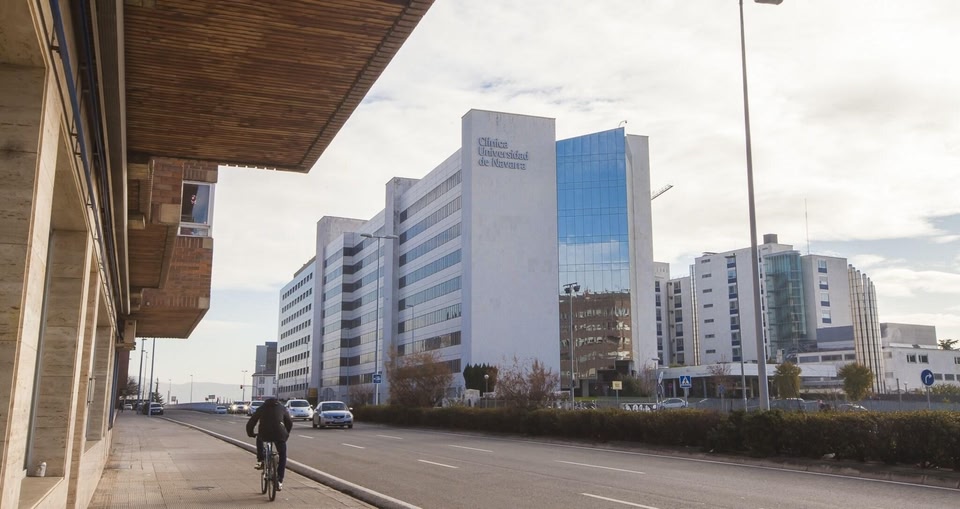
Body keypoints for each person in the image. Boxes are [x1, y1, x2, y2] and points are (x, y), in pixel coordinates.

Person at [246, 397, 293, 491]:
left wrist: (250, 433)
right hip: (279, 434)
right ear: (277, 402)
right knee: (282, 455)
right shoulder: (282, 408)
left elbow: (251, 422)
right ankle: (279, 480)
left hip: (264, 433)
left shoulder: (262, 408)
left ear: (266, 402)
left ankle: (261, 459)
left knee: (259, 438)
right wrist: (286, 433)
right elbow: (289, 422)